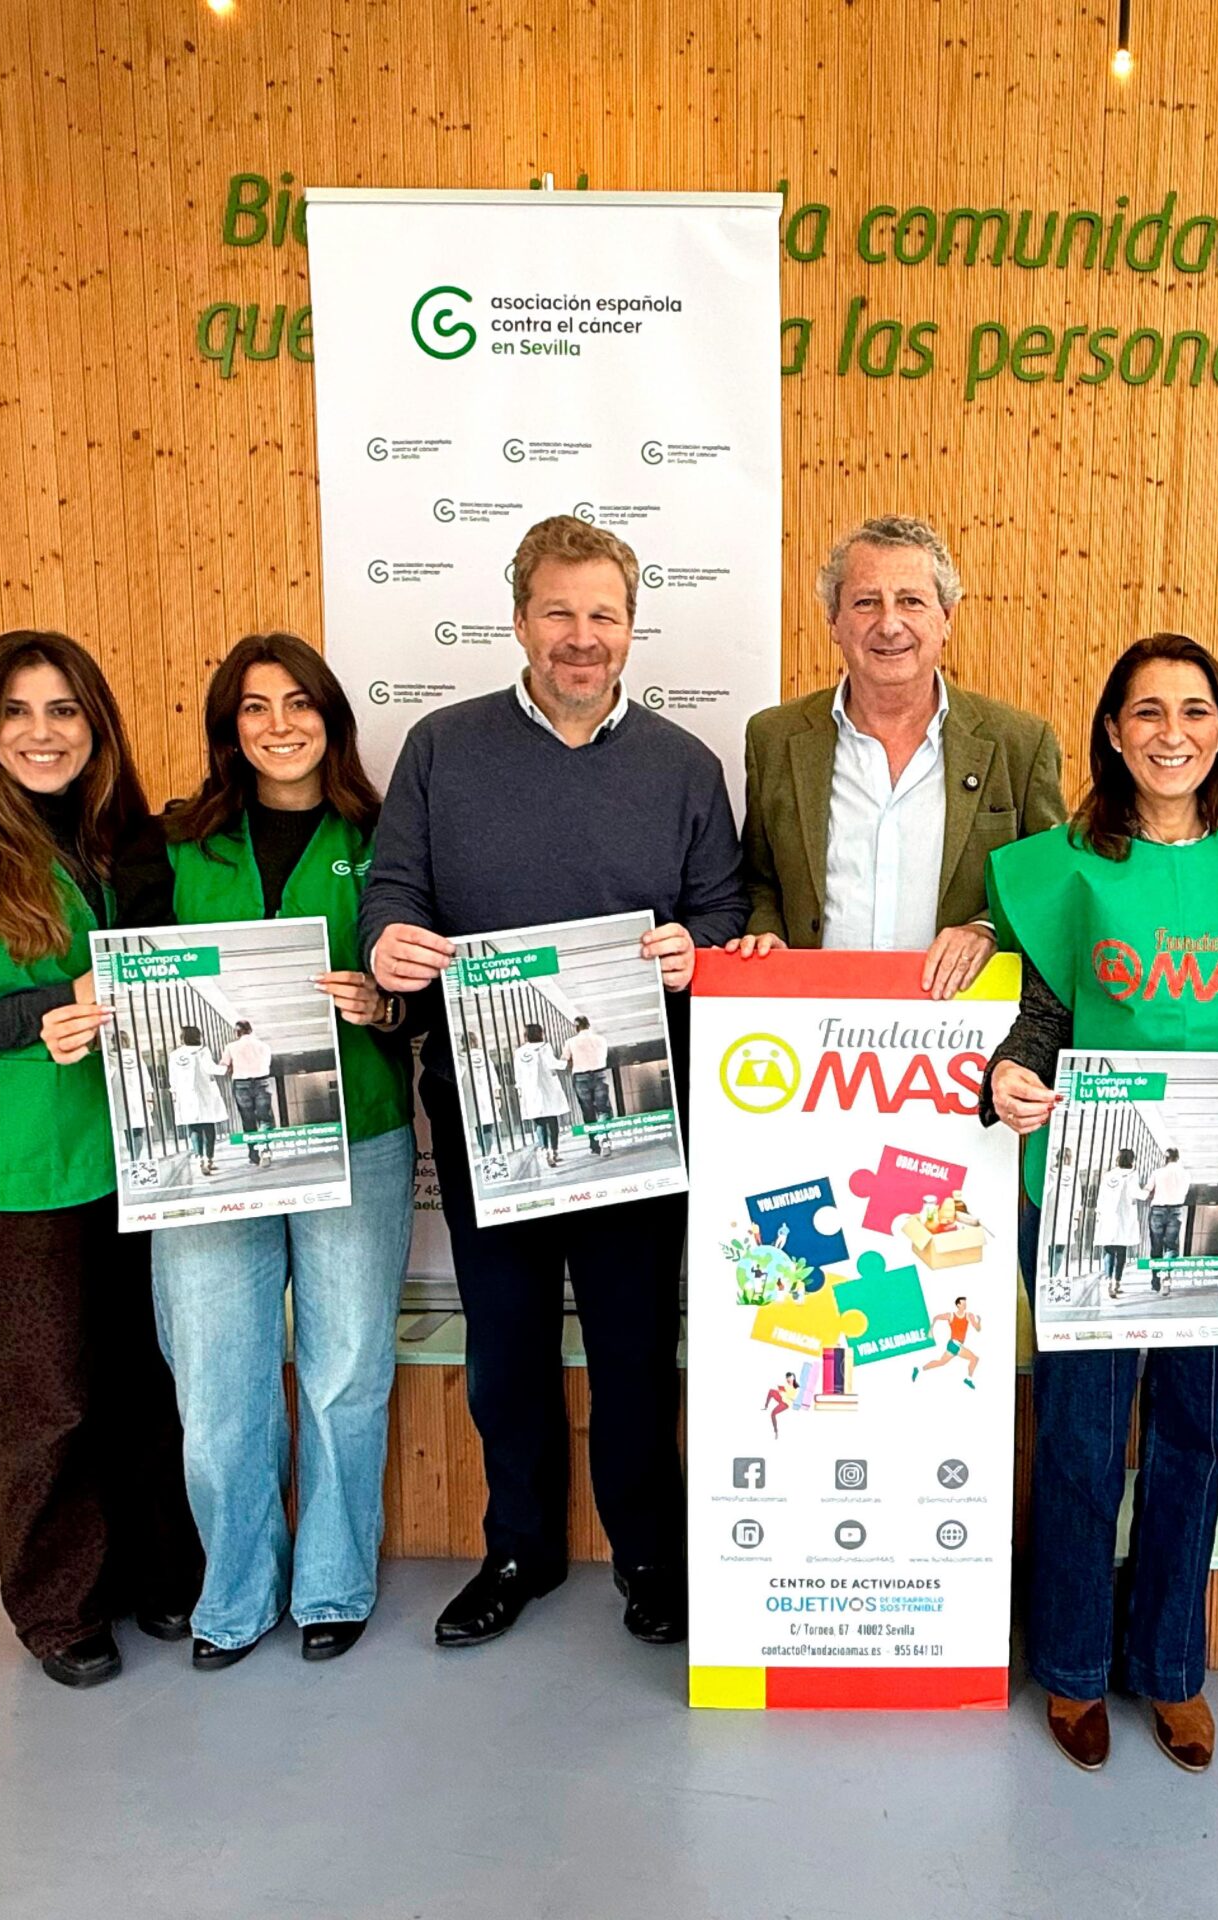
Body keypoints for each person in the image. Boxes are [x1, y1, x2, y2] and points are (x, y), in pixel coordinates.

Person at [362, 512, 746, 1649]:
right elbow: (394, 890)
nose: (582, 637)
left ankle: (648, 1555)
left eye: (603, 616)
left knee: (634, 1350)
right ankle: (518, 1549)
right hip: (488, 1112)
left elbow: (722, 910)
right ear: (520, 620)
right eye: (559, 614)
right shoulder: (441, 748)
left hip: (635, 1114)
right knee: (507, 1349)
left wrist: (694, 949)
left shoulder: (685, 766)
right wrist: (388, 941)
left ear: (632, 627)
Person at [984, 631, 1218, 1775]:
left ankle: (1171, 1666)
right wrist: (1008, 1075)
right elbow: (1042, 1015)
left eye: (1194, 711)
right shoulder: (1060, 866)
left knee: (1193, 1433)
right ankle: (1074, 1664)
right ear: (1113, 733)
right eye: (1146, 712)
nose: (1171, 733)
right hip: (1084, 1188)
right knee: (1082, 1435)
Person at [0, 629, 202, 1688]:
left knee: (142, 1381)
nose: (41, 733)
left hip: (136, 1155)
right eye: (16, 711)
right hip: (12, 1176)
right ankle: (60, 1609)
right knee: (46, 1400)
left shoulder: (120, 844)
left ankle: (158, 1571)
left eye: (63, 710)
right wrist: (44, 1010)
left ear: (94, 726)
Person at [151, 631, 417, 1670]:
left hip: (357, 1134)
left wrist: (385, 1008)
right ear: (230, 728)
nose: (279, 725)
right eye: (255, 707)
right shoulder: (175, 843)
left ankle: (334, 1584)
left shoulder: (387, 835)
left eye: (299, 703)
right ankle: (233, 1594)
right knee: (218, 1386)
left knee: (346, 1373)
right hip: (207, 1154)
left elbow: (427, 988)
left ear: (331, 718)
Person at [729, 514, 1066, 996]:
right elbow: (760, 880)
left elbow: (1049, 884)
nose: (889, 624)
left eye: (911, 601)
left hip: (959, 1024)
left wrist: (987, 929)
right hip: (813, 1020)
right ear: (834, 621)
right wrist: (767, 933)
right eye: (866, 602)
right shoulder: (774, 739)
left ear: (946, 617)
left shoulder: (1020, 743)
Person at [167, 1024, 230, 1174]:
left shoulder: (174, 1055)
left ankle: (199, 1158)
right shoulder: (202, 1051)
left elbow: (172, 1078)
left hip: (185, 1095)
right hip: (204, 1093)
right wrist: (226, 1069)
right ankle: (209, 1159)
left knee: (193, 1127)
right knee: (208, 1127)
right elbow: (210, 1068)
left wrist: (174, 1093)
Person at [220, 1020, 276, 1166]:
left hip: (241, 1084)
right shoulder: (264, 1046)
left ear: (237, 1033)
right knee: (265, 1119)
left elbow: (224, 1066)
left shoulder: (231, 1047)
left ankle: (253, 1154)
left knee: (248, 1120)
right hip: (262, 1082)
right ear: (251, 1030)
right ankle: (265, 1150)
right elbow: (267, 1064)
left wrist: (233, 1067)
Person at [511, 1022, 568, 1169]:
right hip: (548, 1087)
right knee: (552, 1120)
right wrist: (565, 1062)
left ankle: (544, 1150)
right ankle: (554, 1150)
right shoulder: (545, 1047)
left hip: (531, 1090)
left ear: (526, 1035)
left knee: (539, 1122)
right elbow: (552, 1063)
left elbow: (518, 1074)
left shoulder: (519, 1052)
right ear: (540, 1033)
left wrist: (520, 1090)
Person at [109, 1027, 159, 1186]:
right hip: (138, 1097)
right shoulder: (136, 1056)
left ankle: (134, 1159)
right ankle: (135, 1160)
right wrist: (149, 1097)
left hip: (120, 1097)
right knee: (138, 1130)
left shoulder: (111, 1057)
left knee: (128, 1130)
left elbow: (109, 1076)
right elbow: (145, 1078)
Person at [1094, 1148, 1144, 1299]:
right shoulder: (1132, 1174)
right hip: (1124, 1217)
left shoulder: (1109, 1175)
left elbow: (1101, 1196)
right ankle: (1117, 1282)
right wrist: (1147, 1193)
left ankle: (1108, 1281)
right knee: (1121, 1251)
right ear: (1132, 1160)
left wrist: (1099, 1213)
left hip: (1108, 1216)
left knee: (1109, 1250)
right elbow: (1135, 1193)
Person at [456, 1029, 507, 1173]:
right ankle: (487, 1154)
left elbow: (459, 1076)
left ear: (463, 1043)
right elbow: (493, 1076)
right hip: (487, 1095)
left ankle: (486, 1154)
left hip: (471, 1096)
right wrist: (497, 1095)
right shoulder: (484, 1056)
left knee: (479, 1127)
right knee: (487, 1126)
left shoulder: (461, 1057)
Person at [566, 1014, 613, 1156]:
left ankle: (594, 1145)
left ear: (576, 1027)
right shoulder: (601, 1039)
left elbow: (566, 1060)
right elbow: (603, 1057)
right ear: (589, 1025)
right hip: (599, 1074)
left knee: (588, 1112)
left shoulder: (570, 1042)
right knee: (603, 1110)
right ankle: (604, 1140)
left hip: (580, 1077)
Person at [913, 1297, 981, 1387]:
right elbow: (936, 1317)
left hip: (952, 1345)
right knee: (974, 1359)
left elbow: (978, 1329)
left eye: (965, 1303)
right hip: (955, 1344)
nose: (965, 1305)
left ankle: (918, 1369)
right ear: (958, 1305)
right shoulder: (951, 1315)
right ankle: (968, 1379)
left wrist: (978, 1322)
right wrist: (931, 1328)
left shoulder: (969, 1315)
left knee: (941, 1362)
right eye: (963, 1303)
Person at [1142, 1148, 1190, 1273]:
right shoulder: (1185, 1174)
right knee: (1171, 1245)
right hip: (1176, 1210)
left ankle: (1156, 1276)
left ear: (1166, 1158)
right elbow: (1184, 1192)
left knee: (1156, 1245)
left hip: (1158, 1209)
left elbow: (1148, 1189)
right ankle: (1167, 1275)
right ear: (1178, 1158)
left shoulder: (1157, 1172)